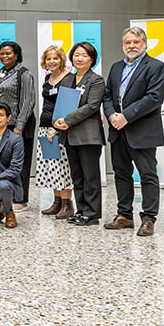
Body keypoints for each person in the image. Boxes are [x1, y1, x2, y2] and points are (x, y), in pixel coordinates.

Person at [102, 27, 164, 236]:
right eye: (128, 42)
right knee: (121, 174)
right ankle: (124, 216)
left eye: (136, 42)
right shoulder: (116, 67)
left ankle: (148, 219)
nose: (131, 46)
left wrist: (126, 116)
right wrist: (112, 115)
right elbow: (107, 95)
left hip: (142, 131)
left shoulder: (156, 67)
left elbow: (154, 98)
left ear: (144, 44)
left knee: (148, 175)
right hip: (117, 130)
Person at [53, 42, 105, 226]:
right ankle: (81, 210)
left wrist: (67, 120)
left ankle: (92, 214)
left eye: (84, 55)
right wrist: (57, 122)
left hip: (88, 136)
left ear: (92, 59)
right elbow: (61, 104)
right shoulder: (68, 79)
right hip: (69, 135)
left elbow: (92, 106)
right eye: (76, 55)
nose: (79, 58)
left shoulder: (96, 80)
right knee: (77, 176)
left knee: (91, 176)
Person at [0, 41, 35, 211]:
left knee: (20, 164)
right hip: (1, 125)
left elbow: (28, 101)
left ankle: (21, 199)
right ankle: (5, 196)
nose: (4, 56)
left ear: (16, 55)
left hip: (18, 125)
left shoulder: (23, 73)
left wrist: (19, 127)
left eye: (8, 53)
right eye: (1, 53)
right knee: (3, 162)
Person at [36, 46, 74, 218]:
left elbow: (69, 106)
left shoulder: (69, 78)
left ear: (62, 60)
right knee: (51, 165)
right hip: (45, 127)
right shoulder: (47, 78)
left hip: (59, 129)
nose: (52, 61)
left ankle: (67, 205)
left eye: (55, 58)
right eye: (49, 58)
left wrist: (56, 128)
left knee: (63, 166)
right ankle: (57, 202)